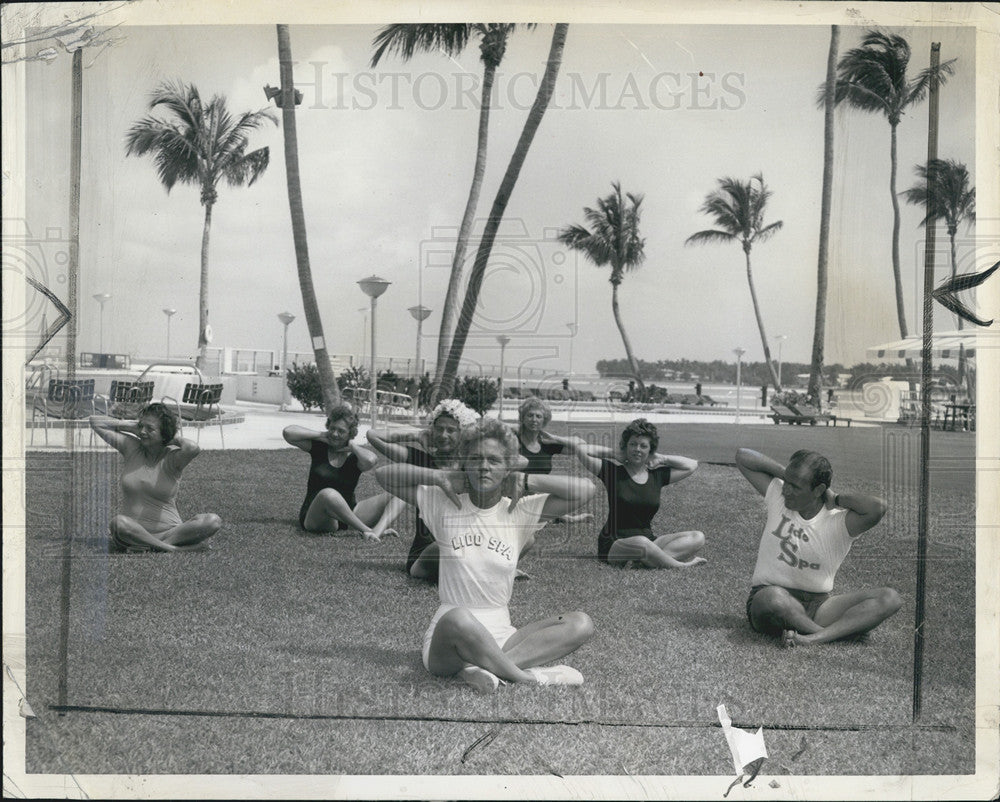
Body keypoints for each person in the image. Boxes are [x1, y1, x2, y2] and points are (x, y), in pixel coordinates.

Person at [375, 418, 596, 693]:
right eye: (476, 458)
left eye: (494, 460)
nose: (483, 466)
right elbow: (384, 475)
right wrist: (436, 476)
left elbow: (587, 489)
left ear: (508, 468)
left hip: (503, 634)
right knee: (458, 617)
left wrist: (525, 480)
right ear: (465, 463)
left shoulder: (519, 510)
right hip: (449, 637)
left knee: (581, 623)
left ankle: (484, 668)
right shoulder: (442, 503)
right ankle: (528, 677)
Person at [735, 448, 901, 647]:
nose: (786, 490)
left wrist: (836, 498)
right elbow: (742, 456)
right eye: (786, 483)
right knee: (772, 597)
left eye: (795, 486)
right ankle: (831, 634)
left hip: (819, 606)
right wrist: (786, 474)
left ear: (818, 490)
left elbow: (877, 508)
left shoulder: (838, 522)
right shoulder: (778, 498)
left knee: (890, 598)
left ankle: (810, 637)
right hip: (770, 601)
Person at [367, 398, 480, 579]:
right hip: (427, 552)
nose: (443, 435)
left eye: (451, 430)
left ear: (463, 434)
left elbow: (514, 460)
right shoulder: (422, 460)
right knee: (447, 547)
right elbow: (373, 435)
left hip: (466, 545)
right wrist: (416, 435)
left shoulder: (473, 465)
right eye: (439, 429)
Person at [570, 418, 706, 568]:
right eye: (633, 444)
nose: (637, 449)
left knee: (697, 537)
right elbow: (581, 450)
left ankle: (645, 561)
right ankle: (679, 566)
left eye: (643, 446)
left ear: (650, 450)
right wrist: (614, 454)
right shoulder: (612, 472)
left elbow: (692, 465)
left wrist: (662, 458)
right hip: (615, 542)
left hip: (649, 540)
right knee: (641, 543)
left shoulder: (657, 476)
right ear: (626, 447)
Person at [89, 404, 221, 552]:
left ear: (164, 434)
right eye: (141, 426)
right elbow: (95, 421)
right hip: (133, 529)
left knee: (212, 521)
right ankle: (173, 549)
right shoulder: (131, 447)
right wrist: (133, 427)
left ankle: (151, 545)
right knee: (118, 523)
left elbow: (193, 448)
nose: (143, 432)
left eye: (150, 429)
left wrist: (172, 438)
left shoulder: (173, 457)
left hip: (171, 531)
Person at [283, 402, 397, 541]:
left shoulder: (356, 456)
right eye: (332, 428)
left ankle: (379, 528)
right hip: (317, 516)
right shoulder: (319, 448)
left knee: (397, 493)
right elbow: (288, 433)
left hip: (349, 513)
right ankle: (368, 530)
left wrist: (351, 446)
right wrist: (323, 434)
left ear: (351, 433)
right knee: (328, 494)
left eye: (341, 431)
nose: (335, 434)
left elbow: (371, 460)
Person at [512, 397, 592, 524]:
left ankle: (558, 517)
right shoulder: (512, 439)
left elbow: (581, 445)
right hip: (513, 496)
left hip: (537, 497)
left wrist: (555, 438)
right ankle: (559, 518)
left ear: (544, 421)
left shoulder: (546, 443)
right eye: (530, 415)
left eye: (538, 416)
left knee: (579, 486)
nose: (534, 420)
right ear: (523, 418)